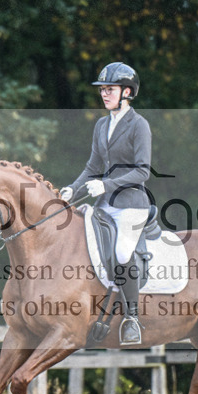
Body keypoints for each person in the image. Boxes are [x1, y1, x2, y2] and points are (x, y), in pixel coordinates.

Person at [60, 62, 151, 344]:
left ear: (127, 92)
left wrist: (107, 184)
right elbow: (93, 166)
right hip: (104, 205)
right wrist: (71, 191)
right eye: (103, 89)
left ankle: (132, 318)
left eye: (109, 89)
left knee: (123, 252)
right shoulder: (101, 125)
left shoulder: (139, 125)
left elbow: (142, 171)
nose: (104, 94)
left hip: (132, 204)